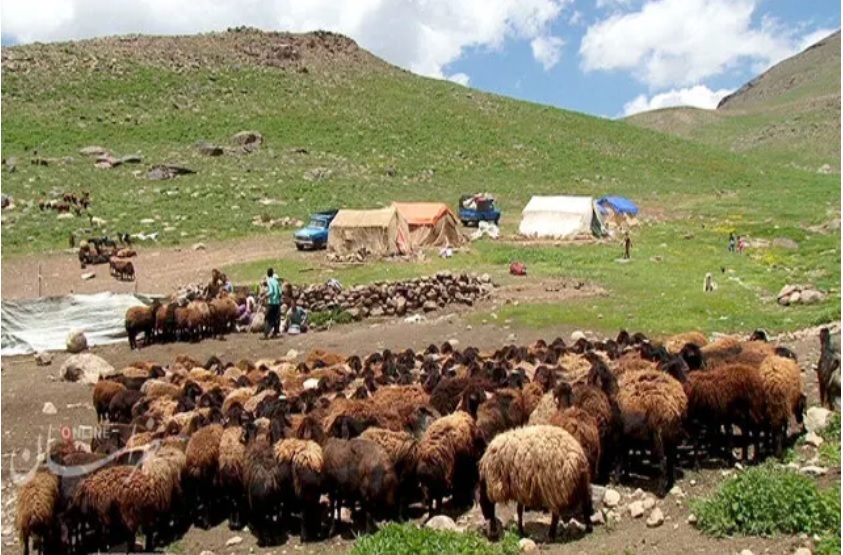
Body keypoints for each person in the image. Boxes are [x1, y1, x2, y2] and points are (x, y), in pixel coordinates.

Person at [263, 268, 282, 339]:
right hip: (277, 303)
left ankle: (266, 334)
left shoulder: (269, 281)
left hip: (271, 303)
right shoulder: (276, 282)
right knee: (275, 319)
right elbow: (280, 293)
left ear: (267, 274)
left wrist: (265, 296)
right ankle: (275, 334)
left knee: (267, 318)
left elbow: (271, 291)